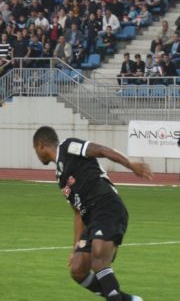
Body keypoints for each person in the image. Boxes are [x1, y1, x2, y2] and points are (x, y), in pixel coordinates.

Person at [32, 126, 151, 301]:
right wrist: (75, 247)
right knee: (78, 269)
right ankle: (129, 300)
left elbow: (102, 150)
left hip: (107, 207)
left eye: (35, 150)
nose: (37, 154)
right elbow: (77, 213)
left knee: (98, 261)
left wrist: (130, 164)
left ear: (41, 145)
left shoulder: (68, 146)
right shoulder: (60, 176)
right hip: (91, 218)